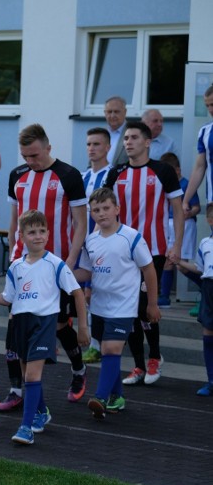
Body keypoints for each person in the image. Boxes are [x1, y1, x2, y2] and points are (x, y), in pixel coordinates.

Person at [0, 124, 88, 412]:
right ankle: (16, 389)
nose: (30, 161)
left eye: (35, 155)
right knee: (16, 325)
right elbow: (14, 220)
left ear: (48, 148)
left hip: (55, 264)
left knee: (60, 324)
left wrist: (71, 261)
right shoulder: (17, 175)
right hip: (22, 264)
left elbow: (80, 223)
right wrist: (14, 255)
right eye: (25, 156)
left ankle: (78, 369)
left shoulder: (69, 175)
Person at [0, 210, 88, 445]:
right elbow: (7, 298)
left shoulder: (55, 264)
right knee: (25, 374)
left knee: (32, 375)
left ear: (48, 234)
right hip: (21, 323)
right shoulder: (16, 267)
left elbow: (78, 293)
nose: (38, 236)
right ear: (22, 236)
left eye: (42, 231)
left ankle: (25, 428)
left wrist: (83, 327)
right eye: (32, 232)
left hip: (44, 323)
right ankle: (41, 413)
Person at [104, 122, 184, 386]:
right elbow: (104, 209)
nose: (128, 141)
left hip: (153, 249)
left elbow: (178, 208)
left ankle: (155, 356)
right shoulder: (116, 172)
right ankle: (138, 364)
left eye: (134, 137)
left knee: (143, 304)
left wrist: (177, 244)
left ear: (147, 142)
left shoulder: (162, 171)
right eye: (126, 137)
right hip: (122, 250)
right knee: (130, 309)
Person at [75, 188, 158, 419]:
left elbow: (149, 270)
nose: (101, 214)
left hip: (123, 306)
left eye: (106, 208)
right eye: (96, 210)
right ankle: (117, 397)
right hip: (99, 307)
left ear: (117, 209)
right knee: (107, 351)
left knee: (110, 349)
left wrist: (152, 303)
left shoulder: (131, 237)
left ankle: (100, 398)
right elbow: (85, 271)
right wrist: (61, 275)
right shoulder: (90, 241)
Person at [80, 127, 113, 364]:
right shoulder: (82, 177)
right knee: (86, 293)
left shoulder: (113, 175)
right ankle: (94, 342)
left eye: (97, 144)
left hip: (105, 243)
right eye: (89, 144)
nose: (92, 148)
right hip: (85, 243)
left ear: (108, 147)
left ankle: (103, 342)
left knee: (99, 291)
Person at [175, 204, 213, 396]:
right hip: (208, 290)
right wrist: (180, 264)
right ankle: (211, 380)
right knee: (208, 335)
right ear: (209, 220)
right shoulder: (205, 243)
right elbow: (201, 269)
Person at [158, 152, 199, 308]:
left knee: (181, 264)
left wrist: (189, 213)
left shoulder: (186, 185)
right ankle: (164, 297)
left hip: (184, 226)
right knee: (167, 261)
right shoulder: (164, 185)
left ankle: (204, 286)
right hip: (167, 225)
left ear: (178, 170)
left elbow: (195, 207)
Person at [182, 85, 213, 213]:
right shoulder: (205, 131)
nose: (211, 109)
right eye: (207, 106)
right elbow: (200, 167)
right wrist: (186, 199)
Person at [104, 96, 129, 167]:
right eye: (109, 112)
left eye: (116, 111)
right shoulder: (101, 134)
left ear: (125, 112)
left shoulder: (133, 133)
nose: (112, 115)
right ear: (104, 113)